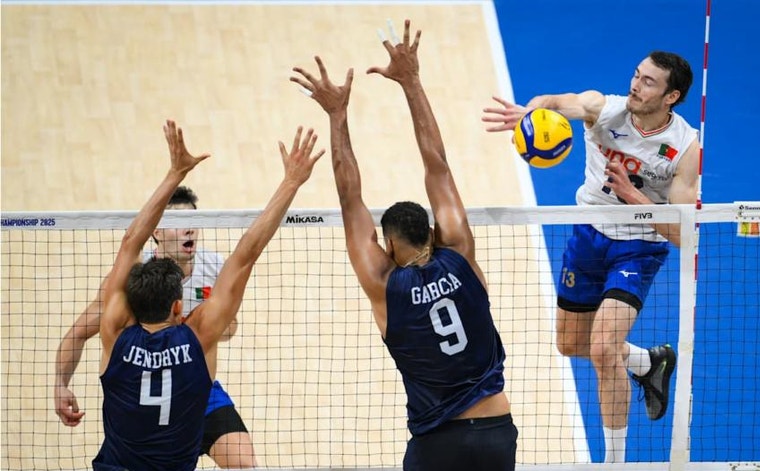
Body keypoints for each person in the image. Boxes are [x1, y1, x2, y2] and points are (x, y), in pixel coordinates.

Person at [290, 19, 518, 471]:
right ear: (432, 231)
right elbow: (438, 165)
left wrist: (337, 115)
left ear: (388, 244)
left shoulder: (383, 284)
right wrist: (411, 82)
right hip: (497, 431)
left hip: (437, 442)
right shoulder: (459, 253)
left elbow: (349, 197)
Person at [482, 51, 699, 462]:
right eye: (637, 75)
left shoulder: (684, 148)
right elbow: (552, 100)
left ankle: (613, 463)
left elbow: (684, 236)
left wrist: (635, 198)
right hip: (588, 235)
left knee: (602, 349)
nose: (636, 84)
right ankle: (648, 363)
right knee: (570, 344)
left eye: (649, 82)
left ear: (671, 97)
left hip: (638, 248)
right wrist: (529, 115)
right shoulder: (605, 110)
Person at [89, 120, 323, 470]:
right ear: (179, 306)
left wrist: (174, 174)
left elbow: (130, 243)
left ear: (130, 303)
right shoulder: (198, 336)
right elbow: (247, 254)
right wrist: (291, 182)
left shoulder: (115, 332)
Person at [55, 186, 258, 467]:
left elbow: (230, 328)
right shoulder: (134, 281)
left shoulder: (213, 266)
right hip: (145, 391)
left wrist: (192, 331)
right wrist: (60, 383)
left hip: (194, 386)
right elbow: (78, 332)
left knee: (243, 462)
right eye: (179, 225)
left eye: (193, 223)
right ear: (157, 233)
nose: (190, 231)